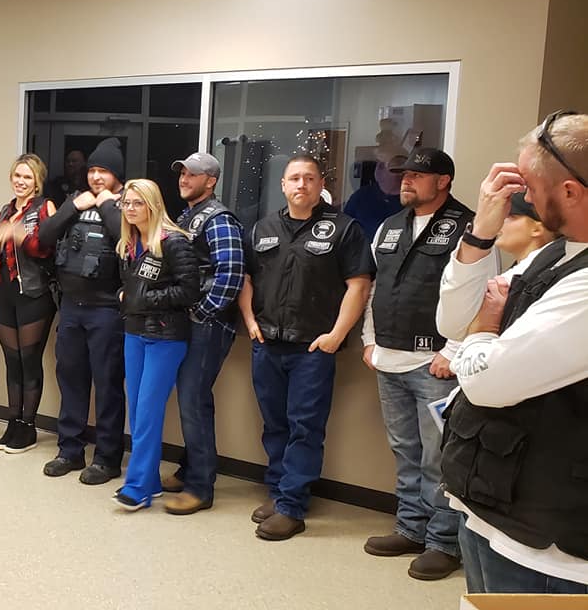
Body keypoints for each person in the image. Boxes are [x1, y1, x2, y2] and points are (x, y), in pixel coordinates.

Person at [437, 111, 588, 594]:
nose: (518, 196)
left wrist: (483, 331)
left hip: (550, 550)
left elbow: (486, 380)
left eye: (528, 184)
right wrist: (480, 233)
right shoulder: (556, 253)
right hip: (493, 508)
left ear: (570, 192)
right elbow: (451, 322)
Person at [239, 154, 374, 541]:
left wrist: (336, 335)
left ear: (320, 185)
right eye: (294, 178)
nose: (302, 185)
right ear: (283, 185)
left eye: (309, 178)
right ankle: (279, 491)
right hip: (267, 343)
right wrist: (249, 321)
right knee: (274, 425)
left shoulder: (344, 229)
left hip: (312, 348)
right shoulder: (263, 227)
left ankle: (292, 506)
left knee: (305, 427)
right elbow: (247, 278)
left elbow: (359, 285)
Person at [359, 147, 472, 580]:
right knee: (405, 450)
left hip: (435, 364)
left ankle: (443, 541)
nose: (406, 180)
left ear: (443, 181)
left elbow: (481, 293)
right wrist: (369, 340)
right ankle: (410, 527)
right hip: (389, 357)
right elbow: (375, 288)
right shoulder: (389, 226)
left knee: (438, 456)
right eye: (404, 174)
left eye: (417, 175)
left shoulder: (467, 227)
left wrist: (453, 350)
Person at [160, 152, 246, 516]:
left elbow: (231, 273)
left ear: (210, 181)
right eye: (181, 173)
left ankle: (200, 487)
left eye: (192, 174)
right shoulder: (188, 215)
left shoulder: (219, 219)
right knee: (189, 399)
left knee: (194, 400)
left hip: (208, 324)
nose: (184, 179)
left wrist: (201, 312)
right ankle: (189, 469)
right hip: (189, 321)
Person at [37, 137, 127, 484]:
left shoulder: (127, 203)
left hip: (107, 311)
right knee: (71, 381)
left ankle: (106, 458)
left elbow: (127, 242)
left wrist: (107, 205)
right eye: (92, 170)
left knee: (107, 386)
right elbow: (46, 235)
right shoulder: (76, 200)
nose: (96, 176)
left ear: (117, 174)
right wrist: (73, 206)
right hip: (71, 308)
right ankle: (69, 451)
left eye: (104, 171)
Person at [112, 179, 201, 511]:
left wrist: (145, 300)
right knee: (137, 412)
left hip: (165, 336)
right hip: (134, 332)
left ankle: (137, 488)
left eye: (138, 203)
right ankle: (149, 480)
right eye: (126, 203)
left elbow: (190, 290)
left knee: (148, 412)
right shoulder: (129, 244)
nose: (131, 209)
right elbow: (128, 289)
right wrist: (125, 296)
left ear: (153, 205)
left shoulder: (173, 242)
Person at [0, 154, 58, 453]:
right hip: (5, 292)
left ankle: (28, 426)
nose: (21, 181)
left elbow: (47, 249)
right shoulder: (5, 209)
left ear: (37, 181)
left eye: (27, 177)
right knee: (12, 362)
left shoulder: (45, 208)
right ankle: (13, 422)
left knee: (29, 360)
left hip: (34, 294)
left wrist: (18, 234)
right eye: (17, 176)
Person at [345, 152, 408, 235]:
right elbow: (345, 229)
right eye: (378, 165)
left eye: (399, 169)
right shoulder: (362, 196)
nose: (378, 169)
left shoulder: (411, 200)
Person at [495, 192, 556, 263]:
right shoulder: (519, 270)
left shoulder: (552, 269)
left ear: (537, 230)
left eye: (510, 216)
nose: (499, 221)